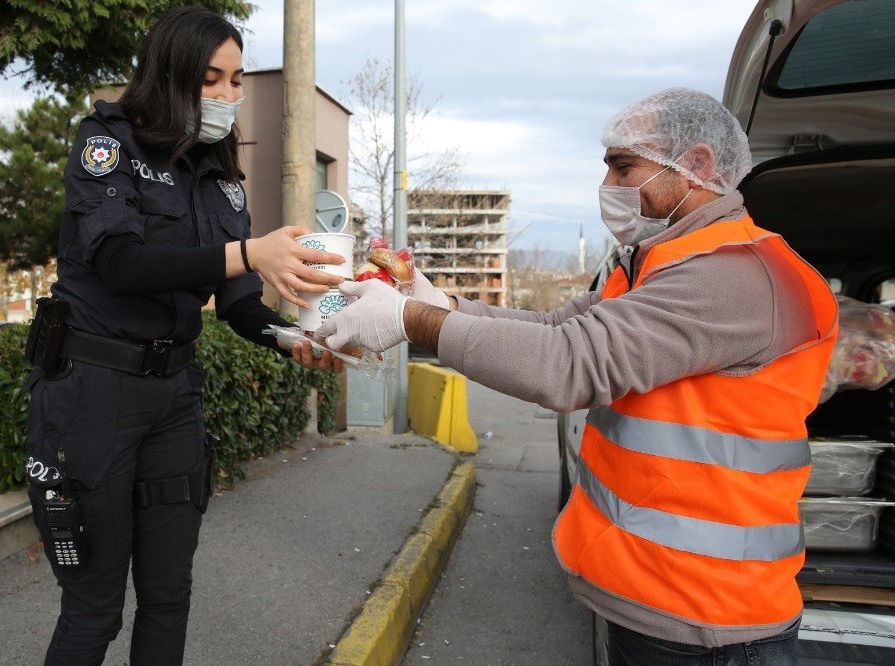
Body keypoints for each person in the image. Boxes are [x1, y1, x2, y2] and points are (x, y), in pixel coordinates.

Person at [317, 88, 838, 665]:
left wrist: (410, 319)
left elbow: (568, 363)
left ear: (697, 166)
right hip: (661, 601)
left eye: (624, 165)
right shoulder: (663, 261)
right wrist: (444, 304)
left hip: (709, 624)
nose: (609, 184)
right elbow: (558, 325)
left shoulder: (735, 275)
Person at [23, 7, 343, 665]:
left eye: (235, 81)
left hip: (173, 402)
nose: (228, 96)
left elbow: (239, 303)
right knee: (93, 613)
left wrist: (294, 338)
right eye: (211, 79)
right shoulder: (105, 142)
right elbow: (120, 262)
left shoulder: (219, 177)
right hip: (94, 398)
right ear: (171, 74)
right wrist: (249, 253)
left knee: (170, 598)